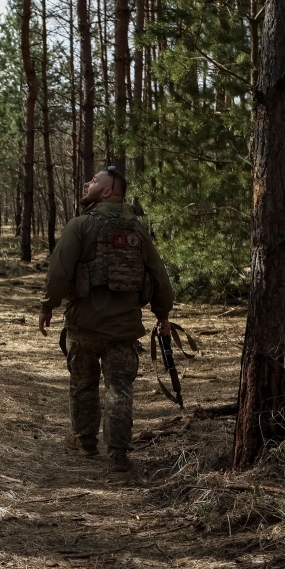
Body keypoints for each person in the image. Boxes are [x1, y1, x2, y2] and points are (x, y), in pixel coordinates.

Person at [38, 167, 174, 472]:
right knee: (119, 388)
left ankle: (86, 440)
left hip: (83, 327)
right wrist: (163, 315)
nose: (87, 182)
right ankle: (118, 453)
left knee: (84, 383)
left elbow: (59, 271)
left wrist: (47, 307)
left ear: (108, 191)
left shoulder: (80, 226)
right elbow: (159, 278)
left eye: (94, 180)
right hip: (124, 330)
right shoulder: (138, 231)